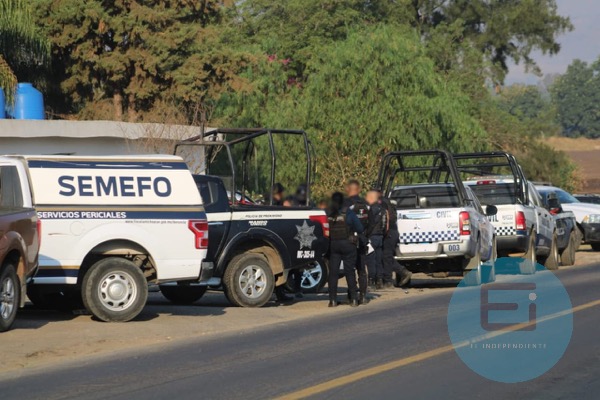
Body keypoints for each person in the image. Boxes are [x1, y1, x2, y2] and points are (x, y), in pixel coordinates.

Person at [327, 192, 364, 307]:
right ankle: (353, 299)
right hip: (348, 244)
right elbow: (360, 228)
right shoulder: (349, 213)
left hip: (333, 245)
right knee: (349, 272)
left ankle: (332, 300)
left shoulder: (329, 213)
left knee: (333, 273)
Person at [344, 179, 370, 304]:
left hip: (350, 240)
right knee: (361, 268)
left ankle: (352, 295)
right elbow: (372, 222)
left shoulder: (346, 204)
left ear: (348, 189)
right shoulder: (366, 204)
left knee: (350, 269)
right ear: (358, 189)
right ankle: (363, 296)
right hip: (363, 238)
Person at [381, 196, 413, 288]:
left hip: (389, 233)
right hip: (392, 233)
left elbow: (385, 221)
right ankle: (388, 279)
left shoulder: (382, 204)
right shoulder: (387, 203)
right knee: (386, 257)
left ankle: (392, 278)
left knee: (386, 257)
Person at [365, 189, 386, 290]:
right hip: (380, 236)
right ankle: (380, 281)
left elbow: (369, 223)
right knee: (379, 259)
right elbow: (386, 224)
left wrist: (366, 235)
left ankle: (371, 281)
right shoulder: (383, 209)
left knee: (371, 260)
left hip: (372, 237)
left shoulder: (371, 209)